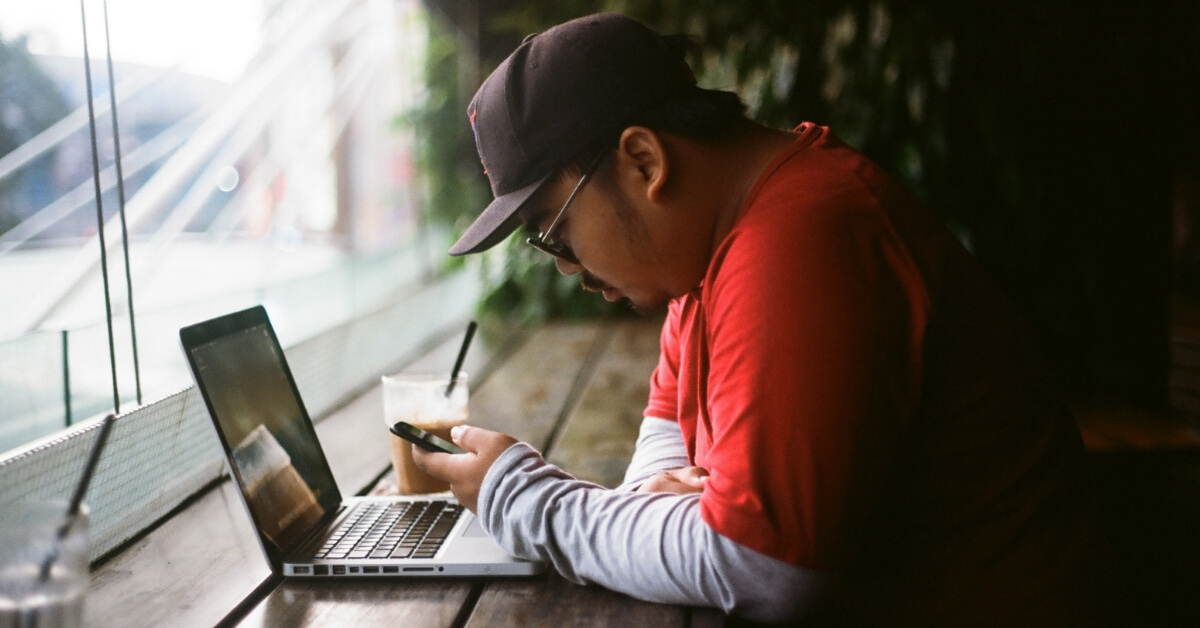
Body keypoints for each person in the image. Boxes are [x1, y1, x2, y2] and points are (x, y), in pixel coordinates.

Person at [414, 12, 1114, 625]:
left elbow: (760, 567)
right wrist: (673, 524)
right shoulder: (696, 274)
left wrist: (526, 499)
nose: (564, 267)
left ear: (644, 159)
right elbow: (656, 497)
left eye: (553, 233)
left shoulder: (804, 241)